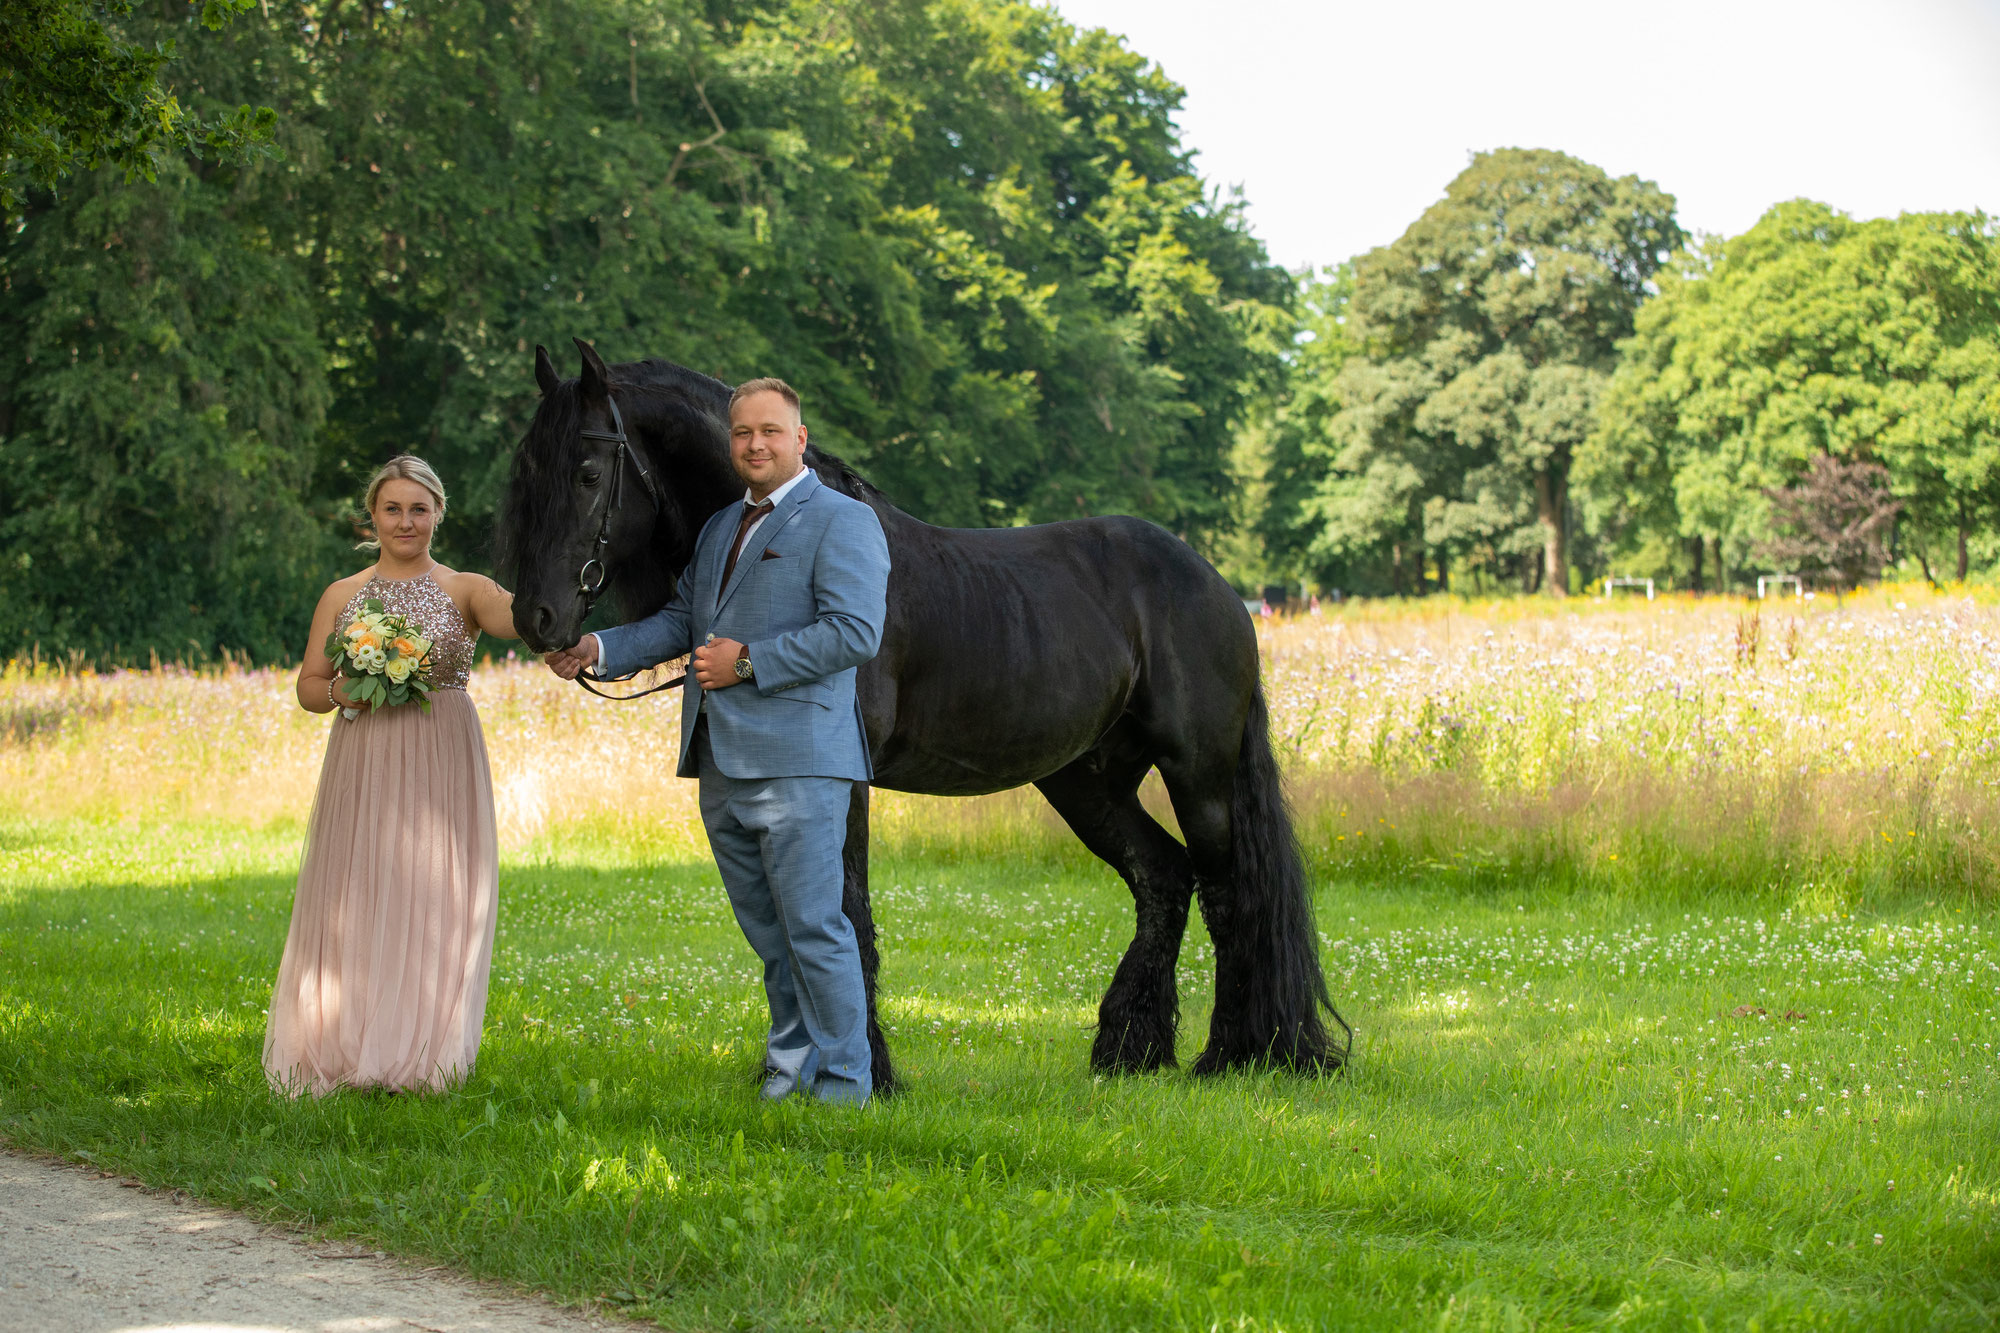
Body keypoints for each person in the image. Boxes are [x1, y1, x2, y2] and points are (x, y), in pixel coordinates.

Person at [545, 378, 890, 1105]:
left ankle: (845, 1085)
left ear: (799, 439)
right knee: (771, 935)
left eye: (770, 431)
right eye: (742, 433)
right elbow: (681, 620)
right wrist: (597, 647)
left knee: (815, 930)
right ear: (730, 441)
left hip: (801, 764)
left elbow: (855, 631)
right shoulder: (719, 528)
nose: (755, 444)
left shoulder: (843, 521)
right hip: (720, 763)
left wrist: (750, 661)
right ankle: (787, 1069)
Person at [264, 455, 520, 1096]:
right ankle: (346, 1039)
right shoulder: (343, 595)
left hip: (441, 756)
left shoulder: (467, 589)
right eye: (392, 508)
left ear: (438, 514)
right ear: (372, 516)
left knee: (435, 898)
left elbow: (533, 624)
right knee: (359, 889)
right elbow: (309, 689)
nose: (406, 521)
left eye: (419, 509)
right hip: (366, 757)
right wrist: (347, 689)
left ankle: (420, 1051)